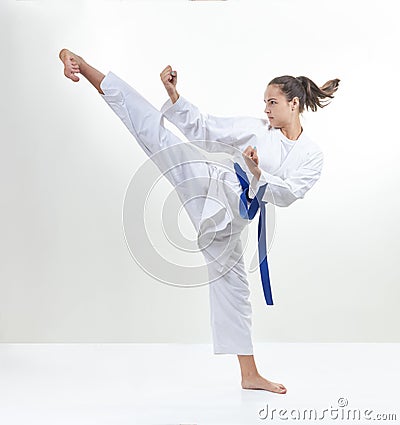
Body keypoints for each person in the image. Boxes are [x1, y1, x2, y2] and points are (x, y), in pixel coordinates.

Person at [59, 48, 339, 394]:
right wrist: (174, 96)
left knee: (235, 290)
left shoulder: (310, 154)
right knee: (154, 132)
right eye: (264, 103)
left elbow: (291, 193)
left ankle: (249, 375)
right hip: (208, 182)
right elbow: (206, 128)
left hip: (231, 220)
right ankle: (84, 65)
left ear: (294, 104)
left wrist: (258, 173)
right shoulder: (255, 129)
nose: (265, 110)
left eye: (272, 103)